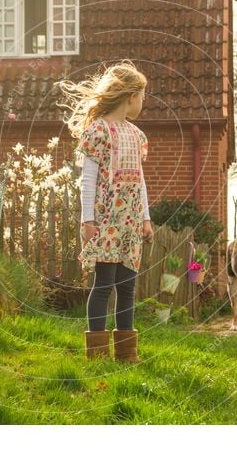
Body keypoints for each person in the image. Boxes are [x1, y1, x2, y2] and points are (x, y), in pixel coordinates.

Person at [58, 60, 154, 363]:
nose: (142, 102)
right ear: (130, 96)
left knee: (127, 287)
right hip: (106, 221)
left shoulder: (137, 136)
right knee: (103, 285)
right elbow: (88, 179)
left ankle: (127, 354)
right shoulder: (97, 131)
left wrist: (145, 218)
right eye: (141, 96)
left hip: (130, 223)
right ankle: (97, 354)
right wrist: (87, 219)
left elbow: (139, 180)